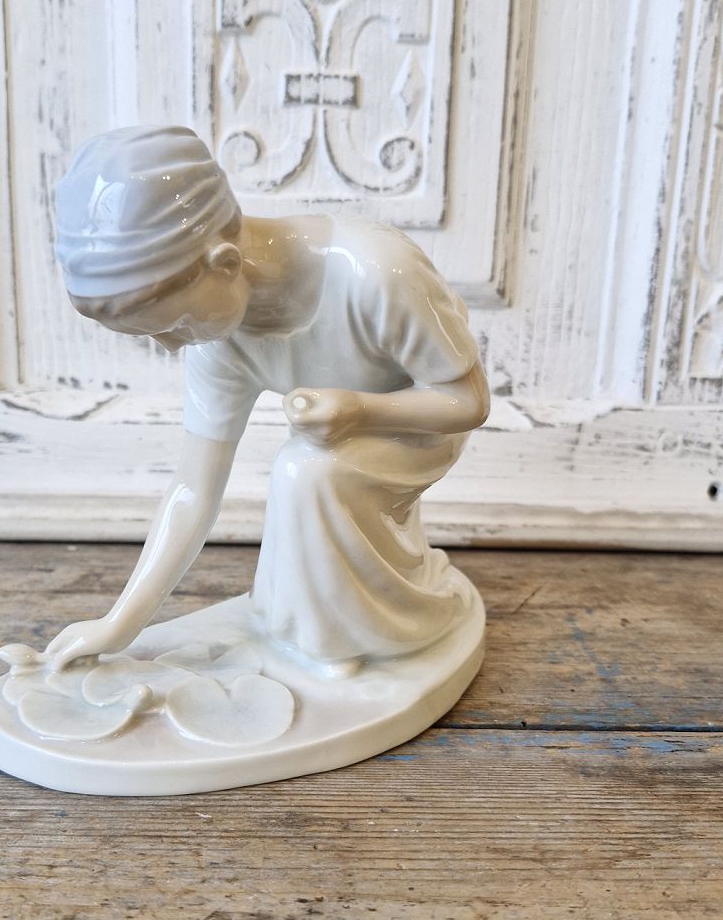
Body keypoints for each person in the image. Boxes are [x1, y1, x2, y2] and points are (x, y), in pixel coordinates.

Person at [45, 125, 489, 677]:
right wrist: (119, 625)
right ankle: (313, 634)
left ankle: (373, 637)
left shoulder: (376, 272)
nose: (172, 347)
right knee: (313, 466)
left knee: (307, 471)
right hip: (339, 441)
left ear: (225, 263)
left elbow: (468, 402)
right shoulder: (217, 340)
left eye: (176, 324)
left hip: (423, 425)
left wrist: (359, 411)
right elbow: (193, 488)